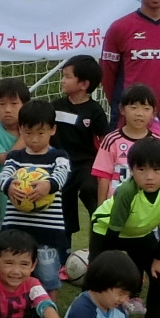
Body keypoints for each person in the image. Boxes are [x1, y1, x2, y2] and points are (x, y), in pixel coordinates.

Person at [85, 138, 160, 318]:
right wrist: (114, 262)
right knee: (99, 275)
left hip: (140, 232)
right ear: (131, 169)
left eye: (156, 170)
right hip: (107, 231)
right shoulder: (127, 191)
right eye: (141, 170)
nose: (149, 177)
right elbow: (114, 230)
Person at [0, 100, 73, 291]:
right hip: (16, 228)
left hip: (48, 232)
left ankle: (49, 316)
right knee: (13, 276)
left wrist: (49, 185)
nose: (35, 139)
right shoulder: (15, 157)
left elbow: (62, 174)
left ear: (52, 130)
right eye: (29, 133)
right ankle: (14, 312)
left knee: (48, 279)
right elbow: (4, 175)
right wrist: (9, 186)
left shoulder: (58, 156)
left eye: (41, 133)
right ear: (21, 130)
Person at [50, 54, 108, 256]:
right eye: (63, 76)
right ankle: (63, 252)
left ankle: (100, 235)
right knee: (62, 204)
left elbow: (106, 141)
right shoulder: (55, 106)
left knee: (89, 189)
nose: (63, 80)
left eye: (67, 76)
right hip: (60, 164)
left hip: (86, 164)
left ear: (84, 84)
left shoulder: (95, 111)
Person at [89, 85, 159, 205]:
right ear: (122, 109)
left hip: (147, 207)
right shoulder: (111, 140)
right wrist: (101, 208)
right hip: (116, 204)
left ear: (153, 112)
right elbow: (103, 176)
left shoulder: (157, 143)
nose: (139, 113)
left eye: (146, 109)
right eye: (133, 107)